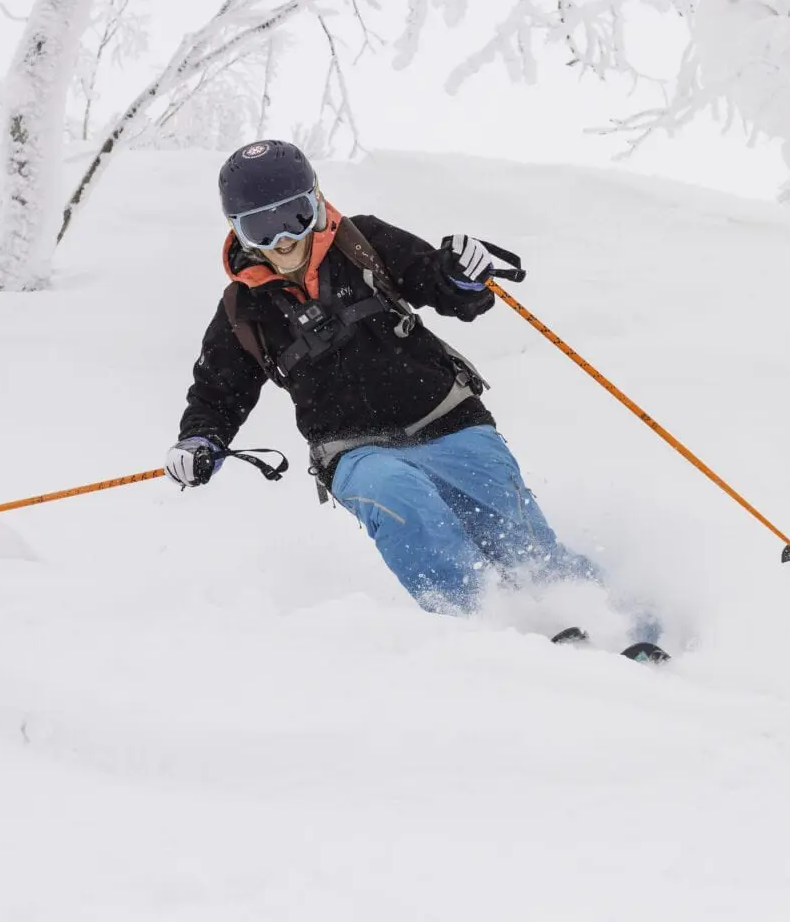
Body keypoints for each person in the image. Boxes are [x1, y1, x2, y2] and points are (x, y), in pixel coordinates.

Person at [166, 139, 604, 619]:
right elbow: (217, 391)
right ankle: (482, 624)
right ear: (238, 232)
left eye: (293, 218)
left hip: (448, 419)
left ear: (315, 202)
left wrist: (463, 276)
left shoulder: (363, 242)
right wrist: (199, 439)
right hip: (352, 450)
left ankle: (608, 621)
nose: (282, 241)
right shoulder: (241, 309)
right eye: (261, 228)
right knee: (398, 497)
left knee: (523, 542)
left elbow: (444, 288)